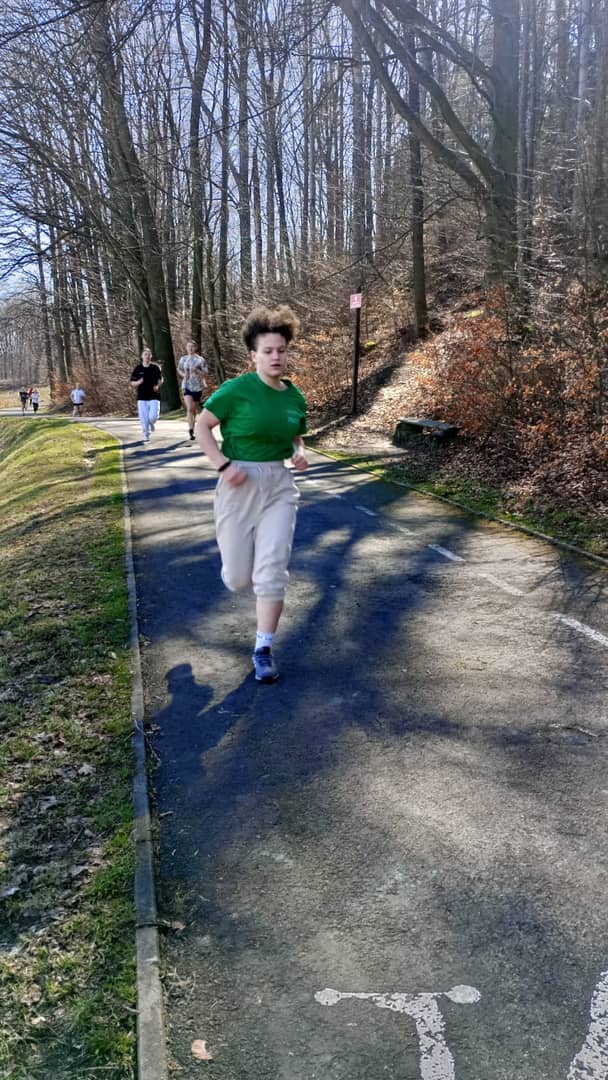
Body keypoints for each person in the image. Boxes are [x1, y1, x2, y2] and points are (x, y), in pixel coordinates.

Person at [196, 305, 308, 684]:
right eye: (268, 351)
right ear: (254, 355)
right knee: (238, 579)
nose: (276, 357)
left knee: (272, 570)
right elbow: (202, 427)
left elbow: (296, 435)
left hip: (279, 485)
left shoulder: (294, 397)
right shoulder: (236, 390)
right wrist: (223, 466)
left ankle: (263, 649)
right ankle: (236, 568)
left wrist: (299, 452)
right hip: (238, 483)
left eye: (281, 350)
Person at [129, 349, 163, 442]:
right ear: (142, 356)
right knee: (143, 418)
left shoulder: (155, 368)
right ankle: (146, 434)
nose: (147, 356)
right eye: (145, 354)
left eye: (149, 354)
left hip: (154, 396)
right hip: (142, 397)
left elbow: (160, 379)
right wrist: (138, 382)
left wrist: (157, 386)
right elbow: (132, 382)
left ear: (151, 356)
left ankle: (151, 423)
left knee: (153, 416)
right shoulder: (138, 368)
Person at [177, 341, 209, 440]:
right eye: (188, 346)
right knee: (190, 408)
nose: (190, 348)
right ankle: (190, 429)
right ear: (186, 348)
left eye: (192, 346)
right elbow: (179, 369)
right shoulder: (183, 359)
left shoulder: (200, 360)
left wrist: (197, 370)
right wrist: (183, 375)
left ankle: (193, 427)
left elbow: (206, 374)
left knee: (194, 410)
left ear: (196, 348)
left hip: (197, 387)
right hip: (186, 385)